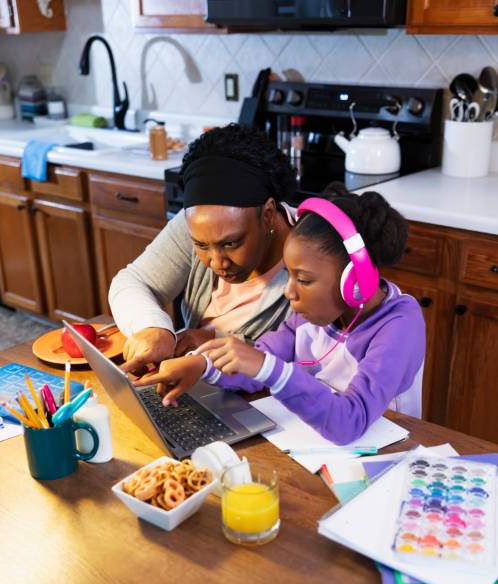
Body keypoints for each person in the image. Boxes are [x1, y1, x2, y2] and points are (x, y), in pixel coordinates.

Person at [134, 187, 426, 445]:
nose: (289, 292)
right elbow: (258, 363)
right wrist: (203, 366)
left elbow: (349, 422)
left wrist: (268, 368)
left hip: (384, 459)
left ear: (354, 282)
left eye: (304, 280)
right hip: (315, 446)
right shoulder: (310, 316)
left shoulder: (399, 326)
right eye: (290, 275)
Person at [109, 123, 297, 375]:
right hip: (195, 387)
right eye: (201, 245)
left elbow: (310, 355)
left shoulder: (311, 254)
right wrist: (154, 327)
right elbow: (132, 282)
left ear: (268, 214)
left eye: (230, 243)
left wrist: (216, 343)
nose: (217, 262)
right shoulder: (194, 224)